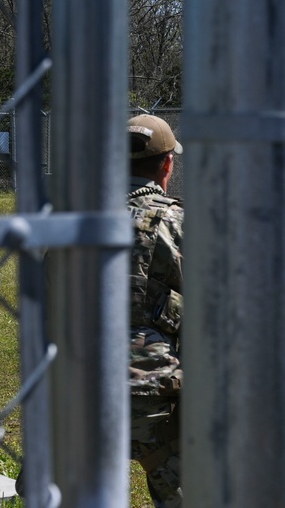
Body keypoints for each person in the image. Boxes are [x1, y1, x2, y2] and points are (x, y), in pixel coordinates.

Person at [127, 114, 184, 507]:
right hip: (153, 389)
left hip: (75, 387)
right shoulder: (177, 220)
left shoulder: (76, 219)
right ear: (167, 164)